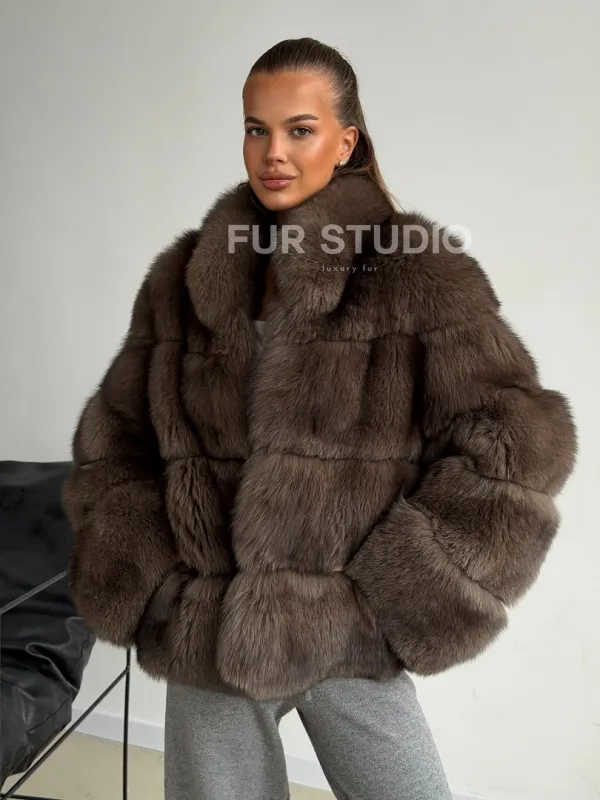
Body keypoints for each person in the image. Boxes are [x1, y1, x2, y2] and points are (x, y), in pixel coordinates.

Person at [61, 37, 577, 800]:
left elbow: (517, 445)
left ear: (346, 142)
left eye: (299, 129)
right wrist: (164, 584)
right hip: (215, 636)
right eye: (256, 128)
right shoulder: (184, 279)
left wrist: (396, 591)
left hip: (350, 631)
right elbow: (117, 441)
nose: (273, 152)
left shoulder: (415, 269)